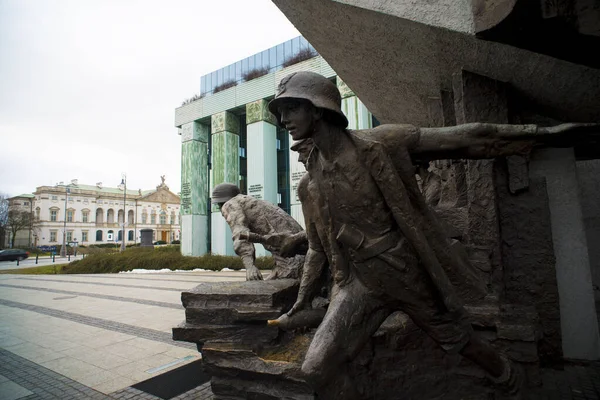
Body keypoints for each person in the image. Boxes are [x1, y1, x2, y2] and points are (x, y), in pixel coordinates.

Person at [268, 71, 597, 399]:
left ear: (317, 108)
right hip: (358, 285)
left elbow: (463, 138)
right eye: (280, 112)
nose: (283, 120)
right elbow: (317, 248)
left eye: (291, 108)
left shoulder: (378, 144)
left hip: (406, 273)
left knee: (459, 340)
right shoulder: (309, 183)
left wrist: (542, 134)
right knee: (316, 368)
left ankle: (507, 376)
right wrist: (302, 302)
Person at [211, 183, 305, 280]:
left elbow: (240, 235)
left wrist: (250, 267)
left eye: (218, 205)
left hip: (291, 260)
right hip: (300, 255)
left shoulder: (230, 205)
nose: (221, 212)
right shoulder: (254, 202)